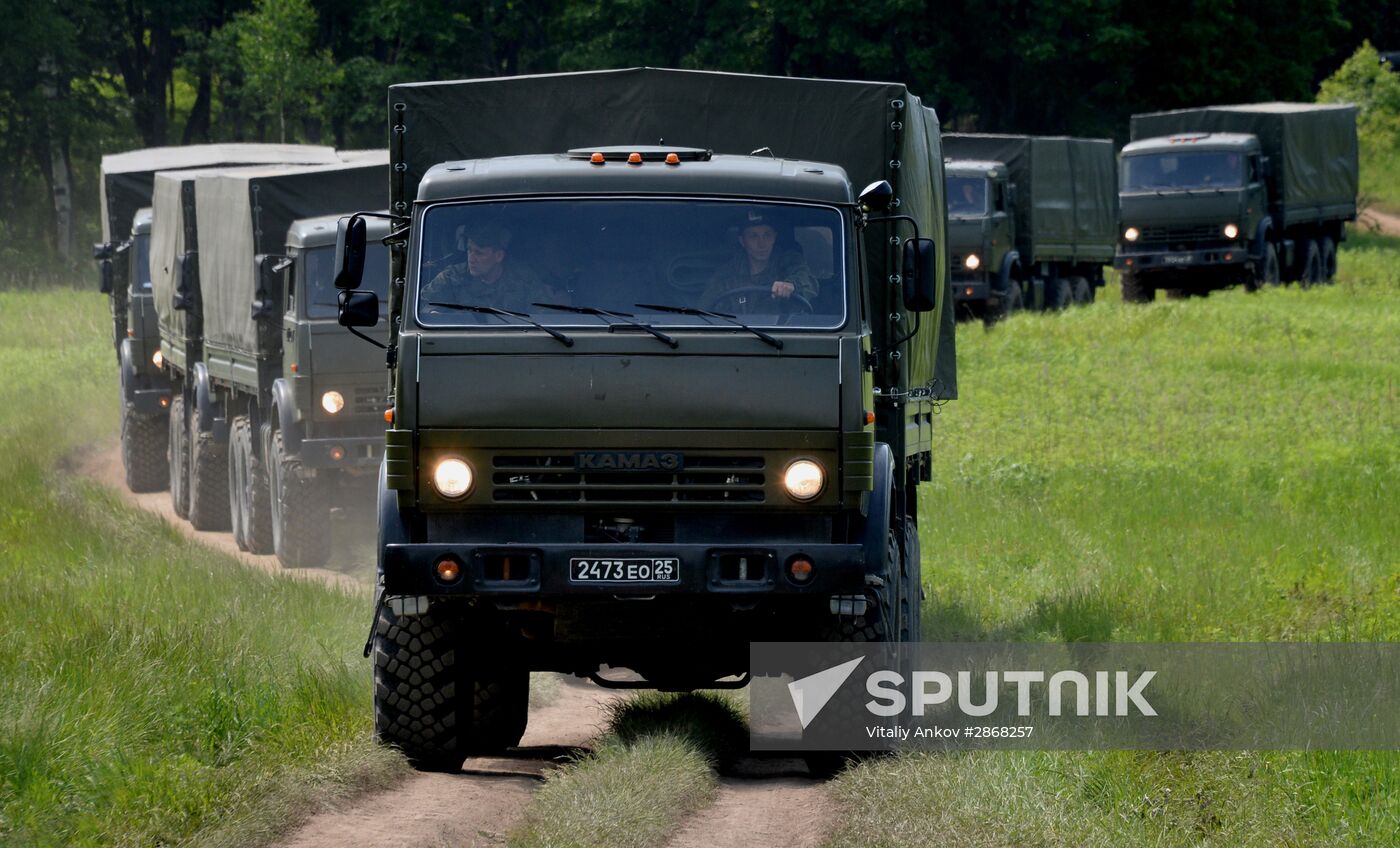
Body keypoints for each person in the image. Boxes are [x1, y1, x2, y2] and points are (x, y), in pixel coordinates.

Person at [700, 210, 817, 311]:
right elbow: (706, 308)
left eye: (767, 235)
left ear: (774, 238)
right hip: (735, 334)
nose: (761, 244)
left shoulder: (788, 261)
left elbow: (808, 280)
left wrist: (792, 285)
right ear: (742, 241)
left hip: (782, 334)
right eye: (753, 236)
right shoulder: (727, 273)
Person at [419, 224, 548, 314]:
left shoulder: (524, 279)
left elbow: (544, 314)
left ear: (498, 256)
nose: (471, 258)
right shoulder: (452, 276)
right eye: (469, 250)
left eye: (479, 253)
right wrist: (431, 313)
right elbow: (420, 305)